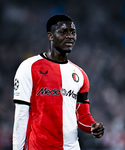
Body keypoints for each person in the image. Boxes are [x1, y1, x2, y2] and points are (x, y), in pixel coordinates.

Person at [12, 14, 105, 150]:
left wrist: (93, 127)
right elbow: (21, 115)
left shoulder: (80, 75)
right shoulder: (29, 67)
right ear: (50, 36)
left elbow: (82, 116)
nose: (69, 36)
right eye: (63, 32)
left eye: (72, 32)